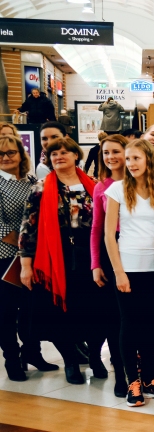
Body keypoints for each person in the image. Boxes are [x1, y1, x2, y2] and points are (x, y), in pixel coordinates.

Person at [103, 139, 154, 406]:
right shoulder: (117, 190)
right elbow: (109, 236)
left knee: (153, 325)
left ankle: (149, 378)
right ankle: (132, 381)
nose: (131, 163)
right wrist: (119, 272)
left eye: (136, 158)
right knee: (130, 324)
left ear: (148, 160)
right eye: (128, 159)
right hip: (128, 268)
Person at [18, 137, 98, 385]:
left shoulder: (93, 186)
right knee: (62, 313)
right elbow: (27, 227)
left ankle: (94, 357)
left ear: (77, 156)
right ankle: (70, 361)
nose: (59, 156)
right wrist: (26, 265)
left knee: (91, 310)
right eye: (53, 154)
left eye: (64, 152)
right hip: (55, 257)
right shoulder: (41, 188)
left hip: (88, 256)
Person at [0, 135, 50, 381]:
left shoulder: (33, 181)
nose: (6, 157)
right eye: (1, 154)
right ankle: (11, 358)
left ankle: (32, 352)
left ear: (21, 154)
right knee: (7, 312)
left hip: (32, 256)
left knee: (31, 310)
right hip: (6, 258)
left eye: (11, 152)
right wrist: (24, 245)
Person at [89, 134, 130, 395]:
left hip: (137, 250)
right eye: (106, 152)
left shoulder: (141, 183)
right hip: (110, 248)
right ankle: (120, 374)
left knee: (136, 316)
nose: (111, 157)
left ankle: (142, 371)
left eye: (116, 151)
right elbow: (96, 229)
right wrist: (95, 264)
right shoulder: (100, 187)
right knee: (114, 318)